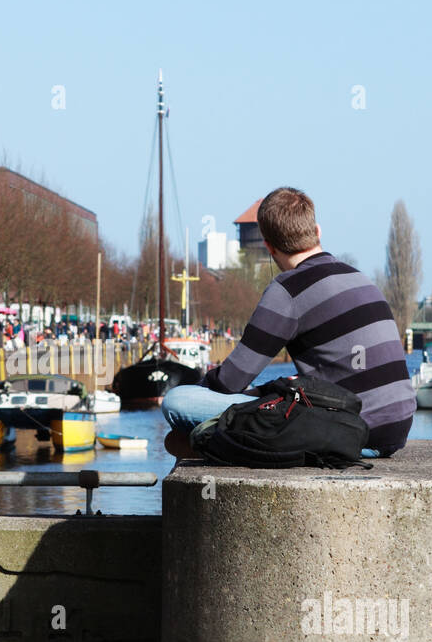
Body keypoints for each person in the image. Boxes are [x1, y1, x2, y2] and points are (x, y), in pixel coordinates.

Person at [162, 186, 416, 457]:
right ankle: (221, 443)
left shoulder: (287, 290)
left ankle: (222, 445)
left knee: (176, 402)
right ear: (317, 231)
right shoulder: (360, 278)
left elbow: (229, 381)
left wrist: (202, 393)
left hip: (351, 432)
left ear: (268, 246)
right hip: (396, 430)